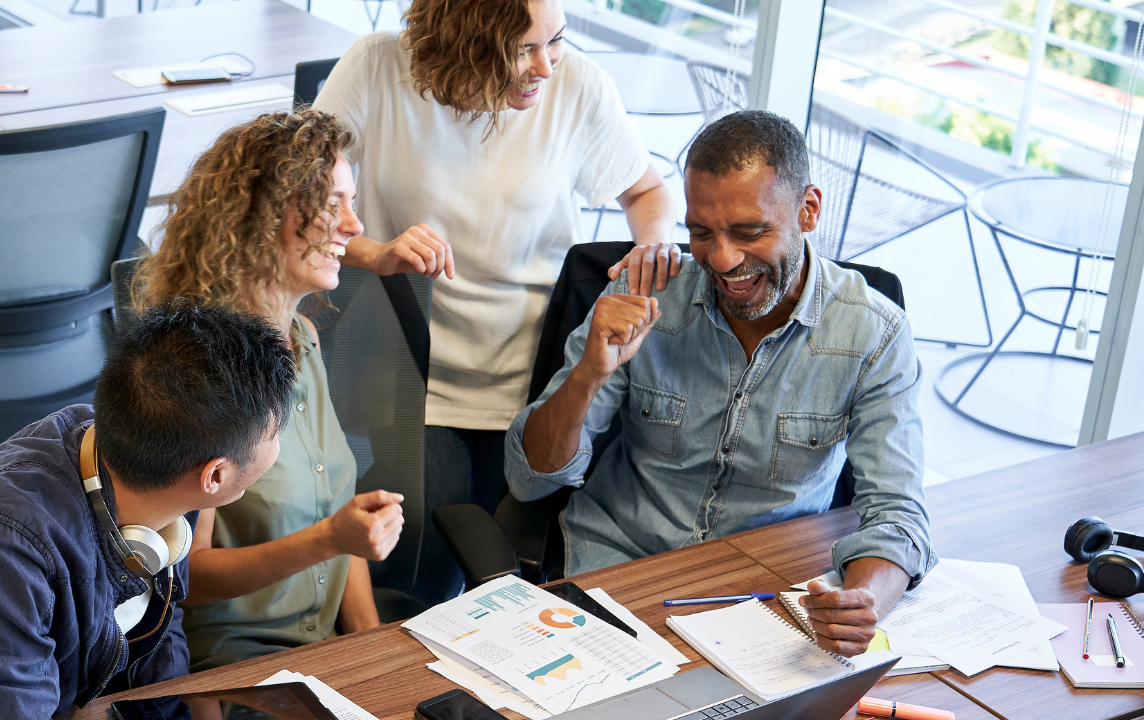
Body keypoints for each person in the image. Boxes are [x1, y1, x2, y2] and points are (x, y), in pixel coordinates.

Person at [506, 110, 934, 657]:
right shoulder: (645, 296)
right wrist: (589, 375)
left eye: (749, 232)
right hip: (622, 578)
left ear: (808, 210)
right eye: (701, 233)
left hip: (767, 600)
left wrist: (864, 601)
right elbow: (529, 481)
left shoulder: (873, 333)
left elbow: (898, 513)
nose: (723, 259)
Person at [313, 0, 682, 599]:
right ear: (462, 40)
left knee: (508, 579)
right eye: (521, 49)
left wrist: (651, 246)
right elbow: (299, 198)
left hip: (533, 378)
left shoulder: (579, 86)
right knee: (421, 583)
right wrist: (375, 253)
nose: (545, 66)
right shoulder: (380, 70)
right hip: (413, 373)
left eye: (555, 41)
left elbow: (646, 190)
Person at [0, 301, 297, 719]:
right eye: (274, 433)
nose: (278, 443)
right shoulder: (0, 549)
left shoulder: (153, 459)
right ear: (215, 476)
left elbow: (159, 637)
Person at [135, 110, 409, 671]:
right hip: (240, 667)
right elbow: (183, 579)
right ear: (265, 216)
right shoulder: (198, 373)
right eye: (334, 203)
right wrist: (329, 539)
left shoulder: (303, 340)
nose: (355, 226)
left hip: (331, 651)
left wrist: (376, 656)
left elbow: (340, 515)